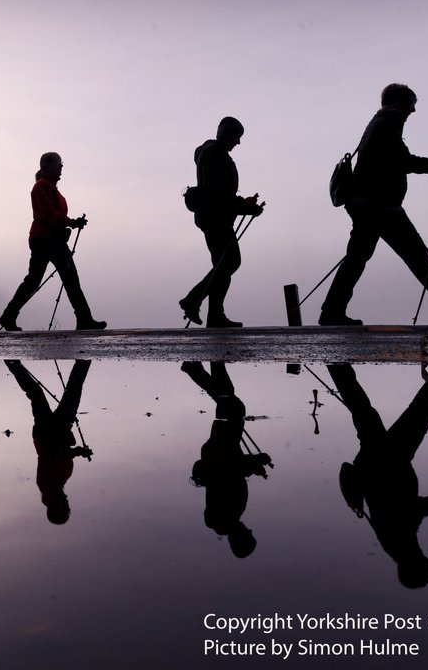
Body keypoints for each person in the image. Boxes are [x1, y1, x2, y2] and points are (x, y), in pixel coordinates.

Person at [320, 84, 428, 326]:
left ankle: (332, 312)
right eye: (411, 103)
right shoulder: (387, 125)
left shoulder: (380, 124)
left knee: (359, 258)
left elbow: (398, 161)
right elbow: (404, 162)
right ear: (398, 103)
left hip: (370, 205)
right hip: (379, 207)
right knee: (413, 255)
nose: (414, 110)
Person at [328, 363, 428, 588]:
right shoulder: (397, 546)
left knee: (417, 412)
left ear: (417, 565)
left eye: (425, 562)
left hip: (388, 463)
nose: (427, 556)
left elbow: (419, 508)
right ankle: (336, 364)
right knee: (368, 411)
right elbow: (418, 510)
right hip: (383, 463)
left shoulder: (400, 543)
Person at [0, 153, 106, 331]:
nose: (61, 167)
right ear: (47, 166)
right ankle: (9, 316)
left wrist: (67, 226)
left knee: (66, 280)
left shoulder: (50, 188)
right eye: (58, 164)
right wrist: (71, 223)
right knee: (39, 280)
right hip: (44, 240)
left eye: (61, 164)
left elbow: (53, 217)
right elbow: (48, 214)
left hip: (52, 240)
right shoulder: (42, 187)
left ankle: (84, 319)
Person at [179, 117, 265, 328]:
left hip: (214, 215)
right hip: (215, 217)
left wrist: (244, 207)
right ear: (228, 133)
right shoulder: (214, 154)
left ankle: (215, 315)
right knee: (230, 262)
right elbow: (216, 193)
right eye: (237, 137)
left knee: (222, 265)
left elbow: (219, 193)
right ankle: (193, 299)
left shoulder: (212, 153)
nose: (238, 142)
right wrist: (243, 206)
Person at [182, 361, 272, 558]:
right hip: (220, 448)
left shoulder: (229, 514)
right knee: (227, 400)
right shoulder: (225, 517)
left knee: (232, 404)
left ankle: (201, 366)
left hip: (223, 447)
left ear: (239, 538)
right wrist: (254, 466)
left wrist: (257, 460)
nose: (249, 530)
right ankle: (204, 366)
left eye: (248, 535)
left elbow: (230, 472)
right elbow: (234, 472)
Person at [4, 359, 93, 524]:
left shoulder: (47, 486)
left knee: (63, 390)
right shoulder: (57, 486)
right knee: (56, 391)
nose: (68, 504)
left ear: (57, 507)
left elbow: (53, 458)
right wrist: (73, 449)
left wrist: (77, 452)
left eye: (66, 508)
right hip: (56, 430)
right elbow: (63, 454)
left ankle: (11, 361)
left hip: (48, 432)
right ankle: (12, 362)